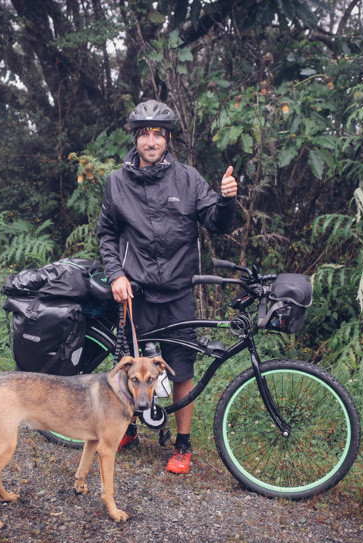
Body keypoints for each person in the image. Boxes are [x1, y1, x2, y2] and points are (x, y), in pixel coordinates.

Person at [96, 99, 238, 475]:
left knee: (181, 368)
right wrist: (116, 274)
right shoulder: (116, 183)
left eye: (158, 133)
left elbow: (217, 222)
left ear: (168, 139)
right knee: (129, 363)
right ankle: (126, 430)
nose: (151, 139)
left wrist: (227, 200)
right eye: (144, 133)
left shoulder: (188, 179)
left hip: (177, 291)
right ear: (136, 138)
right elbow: (107, 234)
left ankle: (182, 444)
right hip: (136, 292)